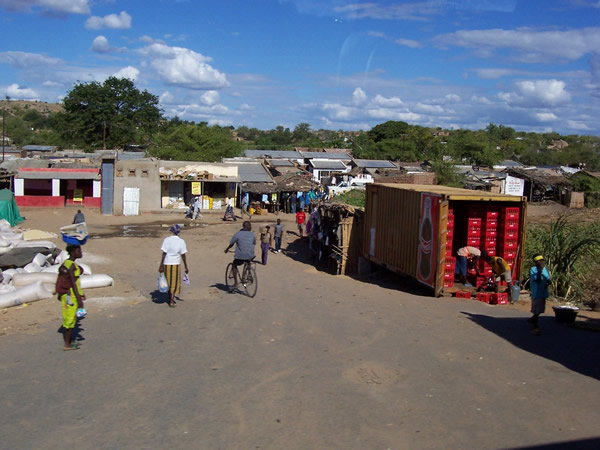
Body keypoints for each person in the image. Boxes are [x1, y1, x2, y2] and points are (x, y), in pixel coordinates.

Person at [58, 244, 85, 351]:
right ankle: (67, 344)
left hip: (71, 295)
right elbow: (73, 284)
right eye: (79, 250)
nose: (81, 252)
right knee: (69, 319)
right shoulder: (71, 266)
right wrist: (79, 300)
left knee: (72, 318)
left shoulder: (69, 263)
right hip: (70, 296)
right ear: (73, 252)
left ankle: (71, 341)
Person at [159, 224, 189, 308]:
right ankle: (171, 300)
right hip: (175, 264)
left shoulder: (166, 240)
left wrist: (161, 265)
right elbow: (183, 255)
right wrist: (186, 266)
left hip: (167, 263)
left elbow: (164, 254)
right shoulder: (181, 241)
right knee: (174, 282)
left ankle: (170, 298)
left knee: (168, 281)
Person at [224, 221, 256, 290]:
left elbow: (231, 243)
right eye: (250, 226)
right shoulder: (252, 234)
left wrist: (227, 249)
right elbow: (254, 243)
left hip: (240, 256)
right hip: (251, 255)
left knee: (234, 265)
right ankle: (248, 273)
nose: (251, 227)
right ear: (247, 226)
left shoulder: (238, 234)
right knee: (248, 261)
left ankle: (236, 284)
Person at [529, 255, 550, 335]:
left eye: (542, 261)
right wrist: (540, 271)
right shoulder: (533, 270)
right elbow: (537, 280)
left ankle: (533, 319)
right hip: (536, 292)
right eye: (539, 261)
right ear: (536, 262)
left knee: (540, 309)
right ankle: (535, 326)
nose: (541, 262)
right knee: (537, 310)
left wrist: (548, 282)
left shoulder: (544, 269)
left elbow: (546, 278)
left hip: (543, 292)